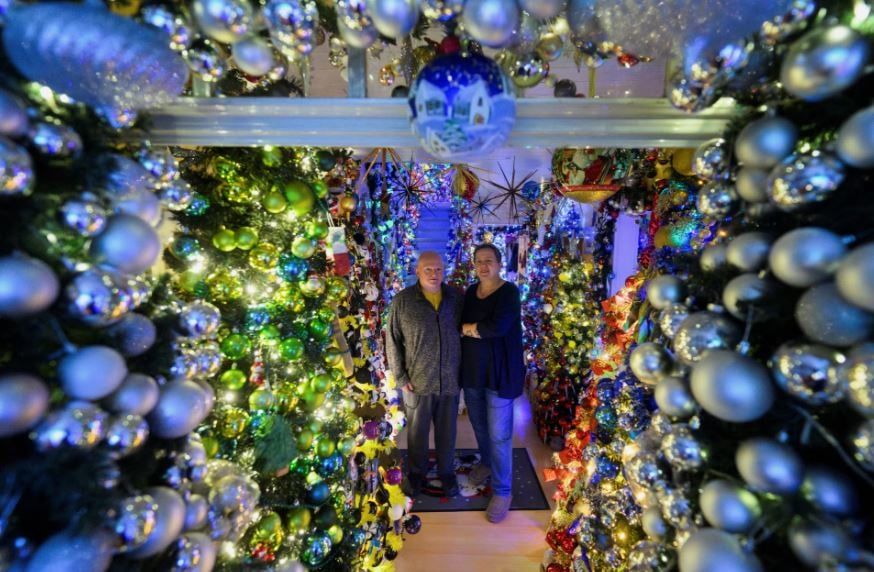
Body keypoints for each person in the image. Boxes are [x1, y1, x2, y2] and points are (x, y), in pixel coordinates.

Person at [386, 251, 464, 497]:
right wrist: (400, 377)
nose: (434, 274)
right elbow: (392, 340)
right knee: (417, 434)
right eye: (428, 269)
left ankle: (447, 473)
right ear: (417, 271)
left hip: (450, 380)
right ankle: (417, 474)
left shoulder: (456, 298)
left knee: (447, 434)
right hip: (417, 382)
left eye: (438, 269)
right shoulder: (403, 300)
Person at [461, 243, 524, 523]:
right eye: (478, 261)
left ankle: (502, 491)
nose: (483, 266)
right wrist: (474, 331)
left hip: (500, 375)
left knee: (500, 436)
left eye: (489, 260)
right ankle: (486, 463)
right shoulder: (469, 293)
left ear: (499, 264)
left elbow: (498, 327)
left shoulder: (509, 292)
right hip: (472, 373)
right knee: (479, 426)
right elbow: (463, 325)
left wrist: (468, 329)